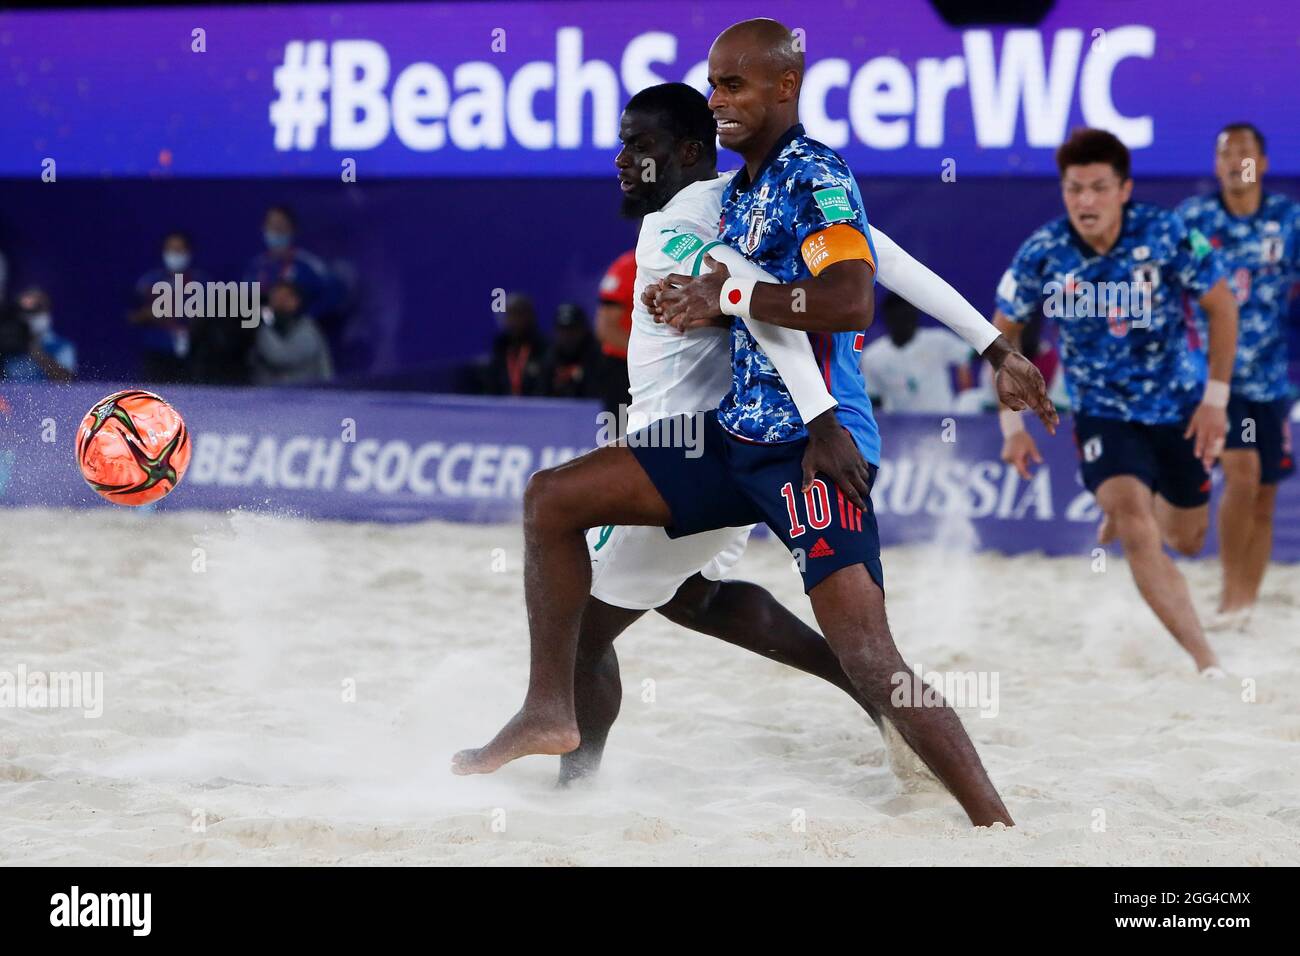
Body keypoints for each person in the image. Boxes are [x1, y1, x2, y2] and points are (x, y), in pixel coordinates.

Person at [454, 23, 1052, 827]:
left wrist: (803, 388)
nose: (720, 100)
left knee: (864, 655)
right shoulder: (740, 194)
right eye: (715, 85)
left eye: (733, 86)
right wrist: (993, 343)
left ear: (783, 87)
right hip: (731, 438)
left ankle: (996, 825)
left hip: (802, 448)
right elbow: (872, 260)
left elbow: (840, 296)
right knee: (612, 544)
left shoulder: (763, 188)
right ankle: (560, 733)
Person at [994, 128, 1239, 674]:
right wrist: (1012, 428)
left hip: (1178, 408)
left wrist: (1216, 400)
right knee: (1134, 522)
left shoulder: (1169, 234)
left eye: (1099, 188)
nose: (1085, 201)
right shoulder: (1043, 251)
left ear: (1124, 190)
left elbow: (1223, 308)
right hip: (1102, 413)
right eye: (1074, 188)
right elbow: (1000, 336)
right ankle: (1207, 662)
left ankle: (1130, 508)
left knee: (1189, 539)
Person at [1176, 123, 1300, 629]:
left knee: (1266, 494)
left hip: (1272, 380)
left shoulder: (1289, 221)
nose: (1236, 160)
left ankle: (1245, 606)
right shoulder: (1196, 220)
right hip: (1216, 378)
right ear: (1216, 165)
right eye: (1225, 152)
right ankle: (1228, 597)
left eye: (1246, 152)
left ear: (1264, 164)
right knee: (1243, 474)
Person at [860, 293, 974, 412]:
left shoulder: (938, 340)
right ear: (887, 319)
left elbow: (972, 354)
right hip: (899, 426)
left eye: (907, 316)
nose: (903, 322)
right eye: (898, 317)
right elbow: (873, 399)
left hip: (941, 422)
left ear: (915, 316)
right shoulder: (872, 356)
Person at [244, 205, 342, 339]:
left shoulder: (308, 264)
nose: (275, 230)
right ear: (263, 228)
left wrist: (305, 318)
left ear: (292, 230)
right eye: (271, 225)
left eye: (281, 226)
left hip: (299, 337)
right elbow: (247, 304)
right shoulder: (256, 267)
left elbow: (336, 292)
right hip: (264, 338)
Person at [129, 231, 204, 383]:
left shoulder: (203, 282)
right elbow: (133, 316)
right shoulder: (148, 282)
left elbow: (216, 317)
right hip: (157, 352)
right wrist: (151, 313)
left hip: (194, 354)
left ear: (189, 252)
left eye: (179, 250)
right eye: (171, 250)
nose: (175, 255)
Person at [249, 281, 333, 386]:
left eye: (286, 297)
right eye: (276, 297)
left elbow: (279, 357)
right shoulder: (268, 324)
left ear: (297, 301)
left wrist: (264, 323)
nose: (280, 302)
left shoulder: (307, 329)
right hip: (265, 398)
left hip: (306, 396)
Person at [2, 287, 76, 383]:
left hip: (48, 397)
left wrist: (37, 353)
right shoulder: (7, 343)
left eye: (35, 311)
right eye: (25, 313)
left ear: (46, 312)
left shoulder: (61, 346)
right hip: (10, 395)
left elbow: (67, 379)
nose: (29, 318)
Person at [483, 293, 548, 396]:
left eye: (519, 314)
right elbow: (492, 384)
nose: (514, 320)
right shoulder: (501, 346)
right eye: (510, 315)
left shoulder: (543, 347)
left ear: (530, 316)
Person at [595, 250, 636, 414]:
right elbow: (605, 328)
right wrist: (645, 356)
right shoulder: (626, 267)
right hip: (622, 369)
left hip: (663, 369)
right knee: (620, 434)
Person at [542, 303, 602, 399]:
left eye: (572, 330)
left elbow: (598, 394)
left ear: (583, 329)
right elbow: (540, 396)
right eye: (562, 330)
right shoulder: (550, 356)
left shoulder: (597, 356)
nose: (567, 336)